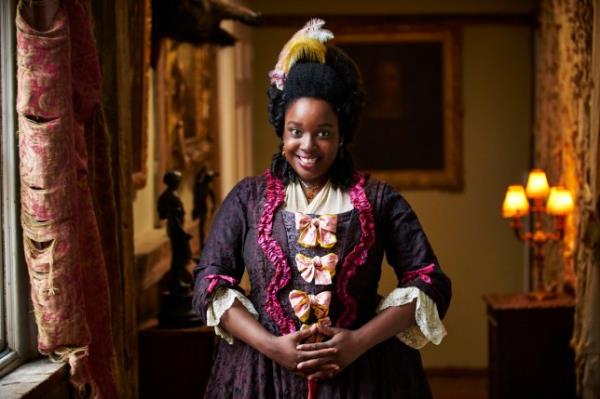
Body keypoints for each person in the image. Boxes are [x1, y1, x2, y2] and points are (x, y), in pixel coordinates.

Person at [192, 19, 451, 399]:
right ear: (282, 129)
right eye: (296, 131)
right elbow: (209, 282)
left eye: (323, 132)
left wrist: (358, 342)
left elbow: (429, 281)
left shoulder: (380, 200)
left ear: (342, 134)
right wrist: (272, 347)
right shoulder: (247, 199)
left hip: (365, 378)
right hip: (261, 378)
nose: (307, 145)